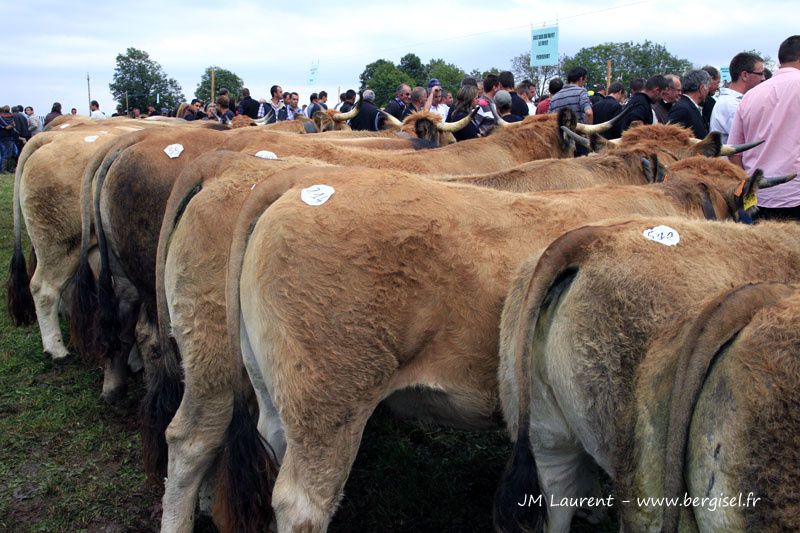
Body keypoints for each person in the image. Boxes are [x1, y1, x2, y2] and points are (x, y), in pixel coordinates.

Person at [729, 35, 800, 220]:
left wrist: (747, 184)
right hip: (795, 194)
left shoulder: (750, 96)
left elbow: (734, 152)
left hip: (759, 196)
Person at [709, 52, 764, 143]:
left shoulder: (736, 102)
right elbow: (753, 139)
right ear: (745, 75)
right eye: (760, 73)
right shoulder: (731, 105)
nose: (763, 78)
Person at [668, 70, 710, 138]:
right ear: (702, 88)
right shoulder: (682, 109)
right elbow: (671, 138)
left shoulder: (688, 107)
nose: (708, 92)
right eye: (707, 87)